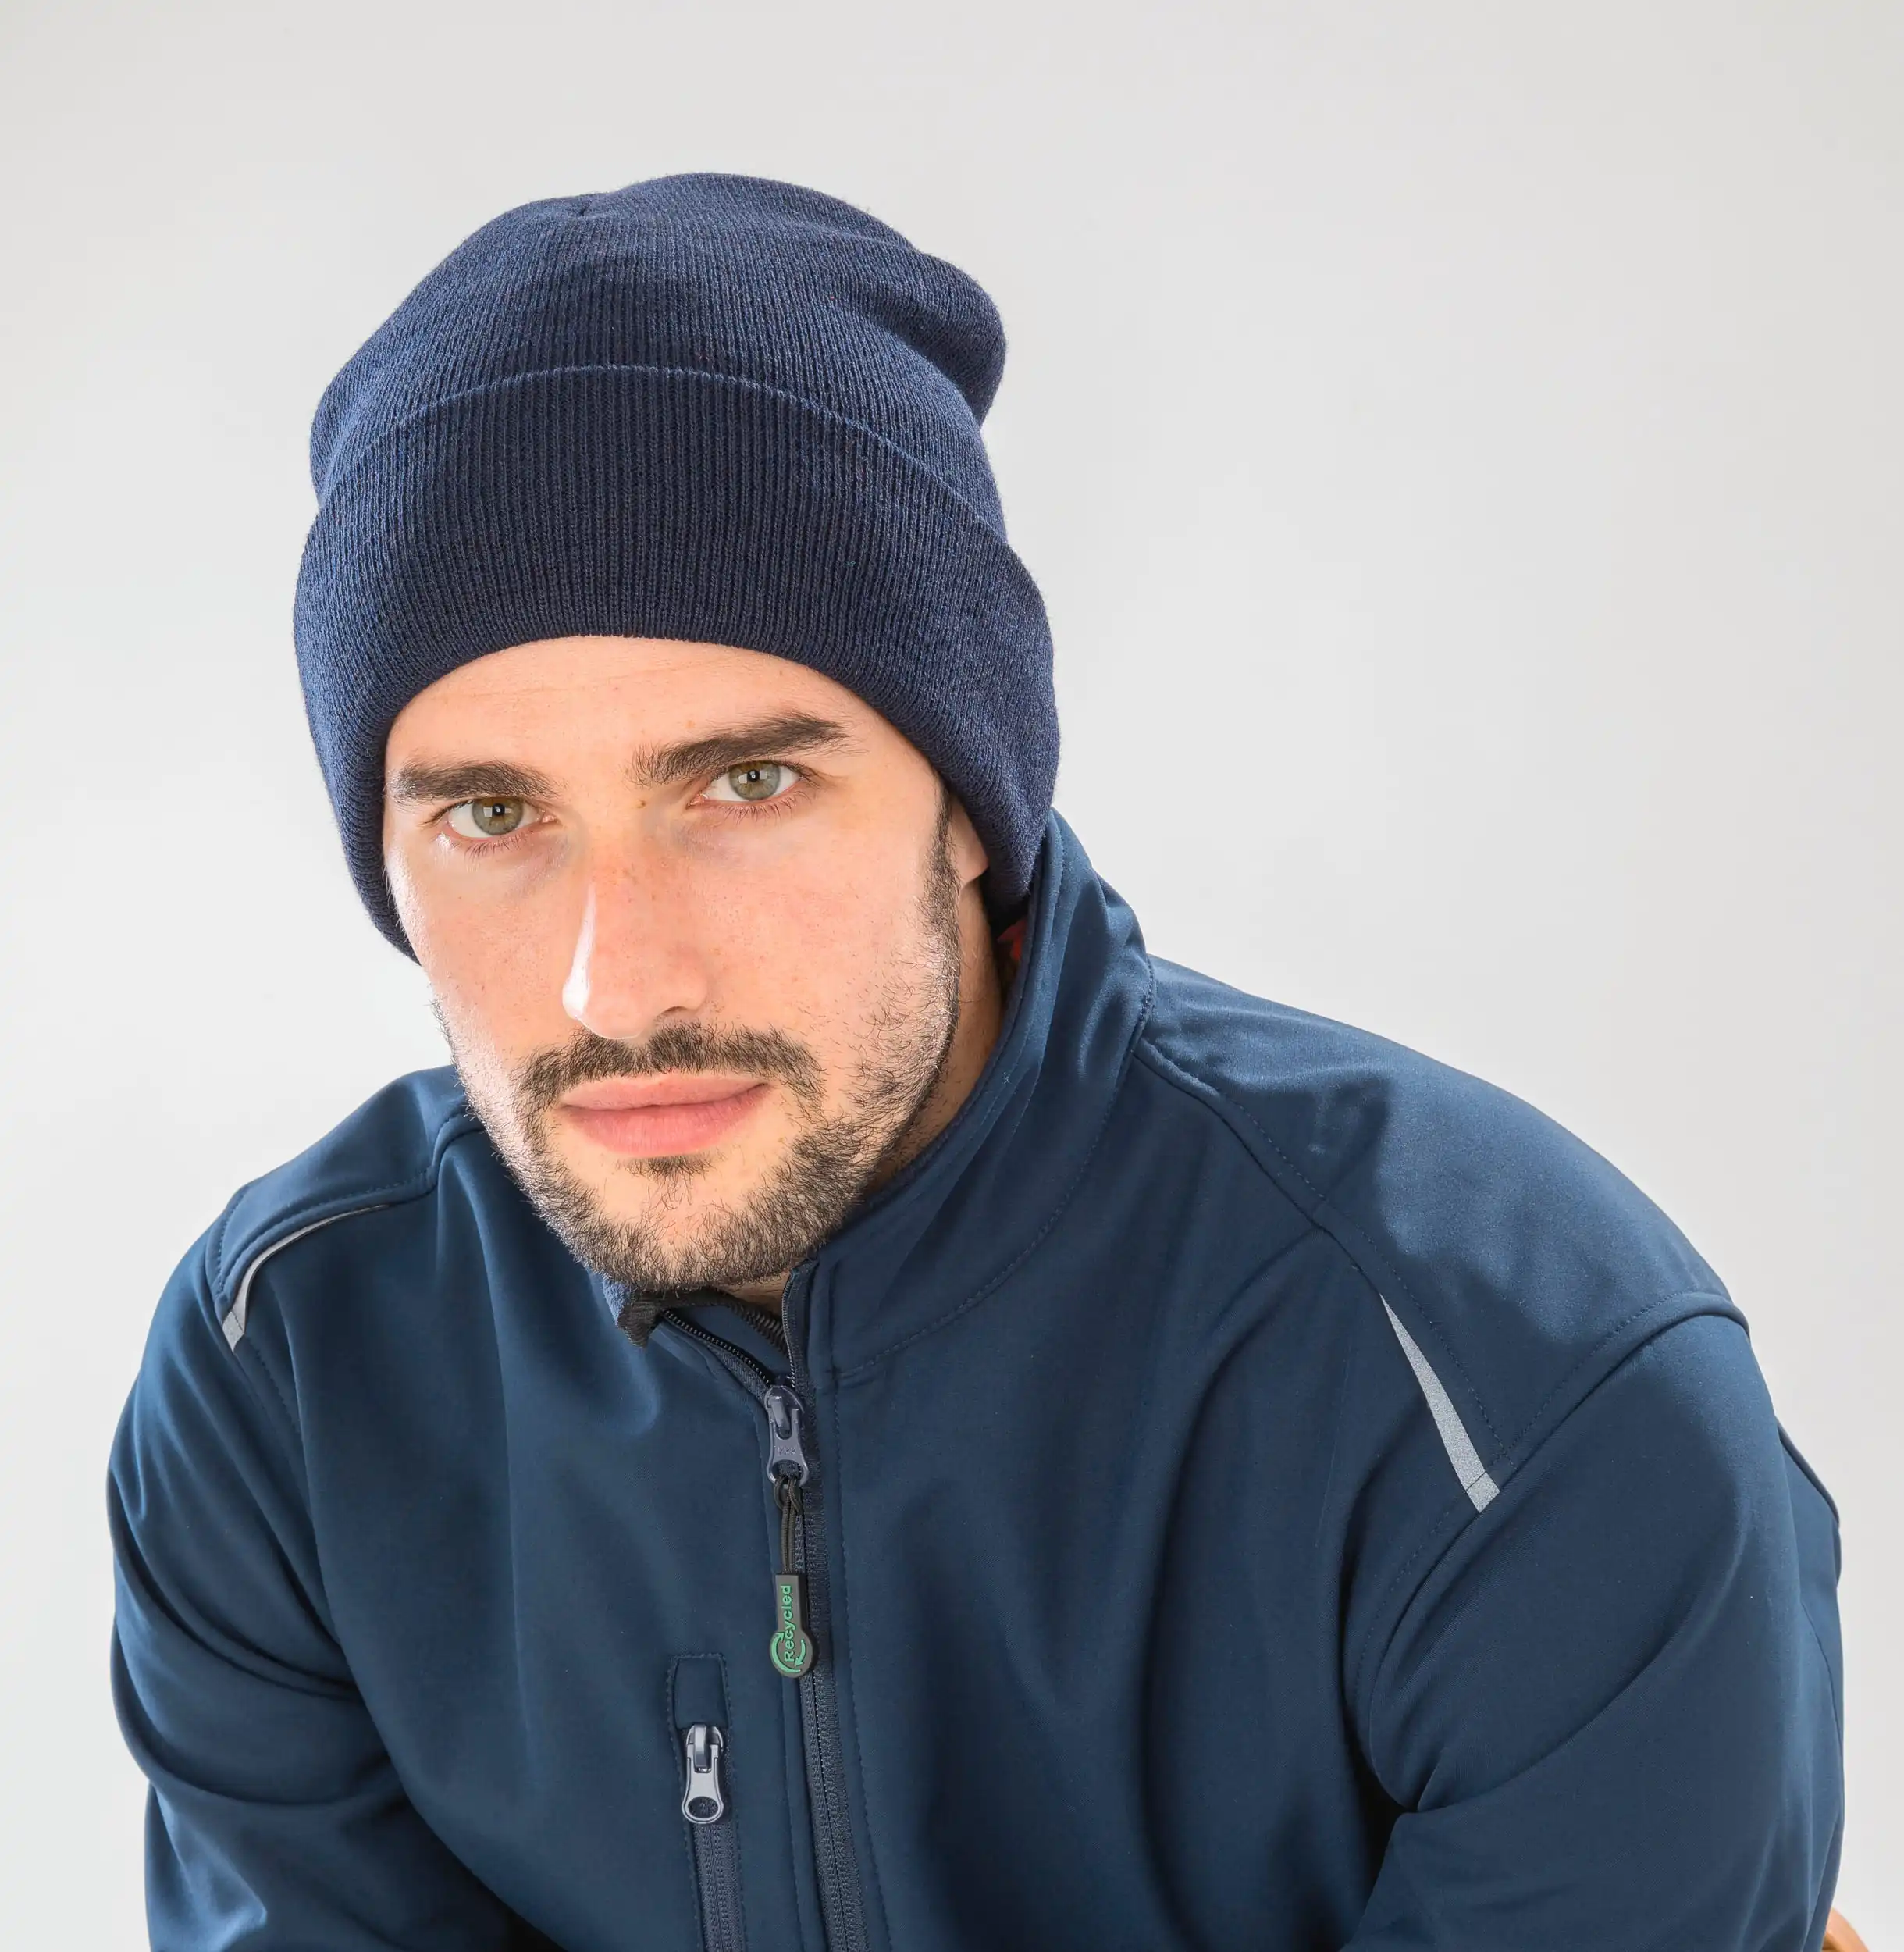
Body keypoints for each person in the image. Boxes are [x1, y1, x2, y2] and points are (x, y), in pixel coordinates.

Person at [109, 174, 1845, 1951]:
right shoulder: (287, 1369)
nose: (615, 985)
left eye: (748, 785)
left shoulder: (1508, 1381)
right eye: (492, 816)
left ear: (967, 807)